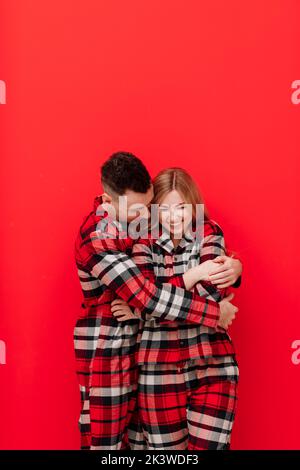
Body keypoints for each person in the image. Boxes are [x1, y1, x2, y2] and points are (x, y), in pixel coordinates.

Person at [74, 152, 242, 450]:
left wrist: (233, 270)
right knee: (105, 446)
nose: (146, 216)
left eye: (148, 207)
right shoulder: (100, 237)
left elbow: (205, 286)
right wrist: (213, 308)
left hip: (162, 352)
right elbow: (147, 295)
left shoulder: (199, 230)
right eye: (146, 209)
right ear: (109, 200)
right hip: (110, 353)